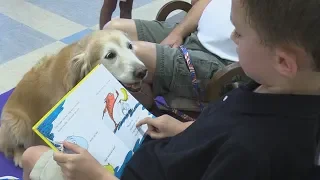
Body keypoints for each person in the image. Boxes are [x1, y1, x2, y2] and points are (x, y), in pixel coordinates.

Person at [22, 0, 320, 179]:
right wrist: (184, 129)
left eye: (239, 32)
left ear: (283, 61)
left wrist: (98, 176)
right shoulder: (275, 88)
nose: (232, 37)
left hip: (134, 173)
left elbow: (235, 144)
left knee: (33, 156)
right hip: (166, 152)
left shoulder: (252, 153)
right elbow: (225, 127)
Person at [103, 0, 238, 108]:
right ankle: (154, 91)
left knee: (133, 53)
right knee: (112, 29)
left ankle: (147, 98)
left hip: (221, 60)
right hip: (195, 32)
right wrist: (178, 32)